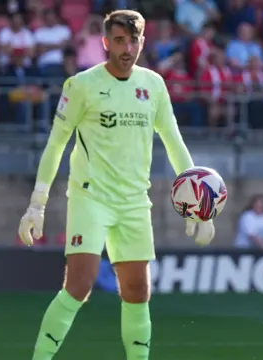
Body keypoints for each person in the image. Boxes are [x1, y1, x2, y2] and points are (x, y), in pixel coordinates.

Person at [18, 10, 215, 360]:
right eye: (120, 41)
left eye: (134, 40)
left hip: (134, 201)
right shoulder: (81, 85)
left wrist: (200, 205)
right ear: (106, 43)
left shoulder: (153, 84)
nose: (127, 48)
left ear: (142, 41)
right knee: (79, 285)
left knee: (138, 291)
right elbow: (56, 143)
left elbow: (173, 141)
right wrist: (38, 202)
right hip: (90, 197)